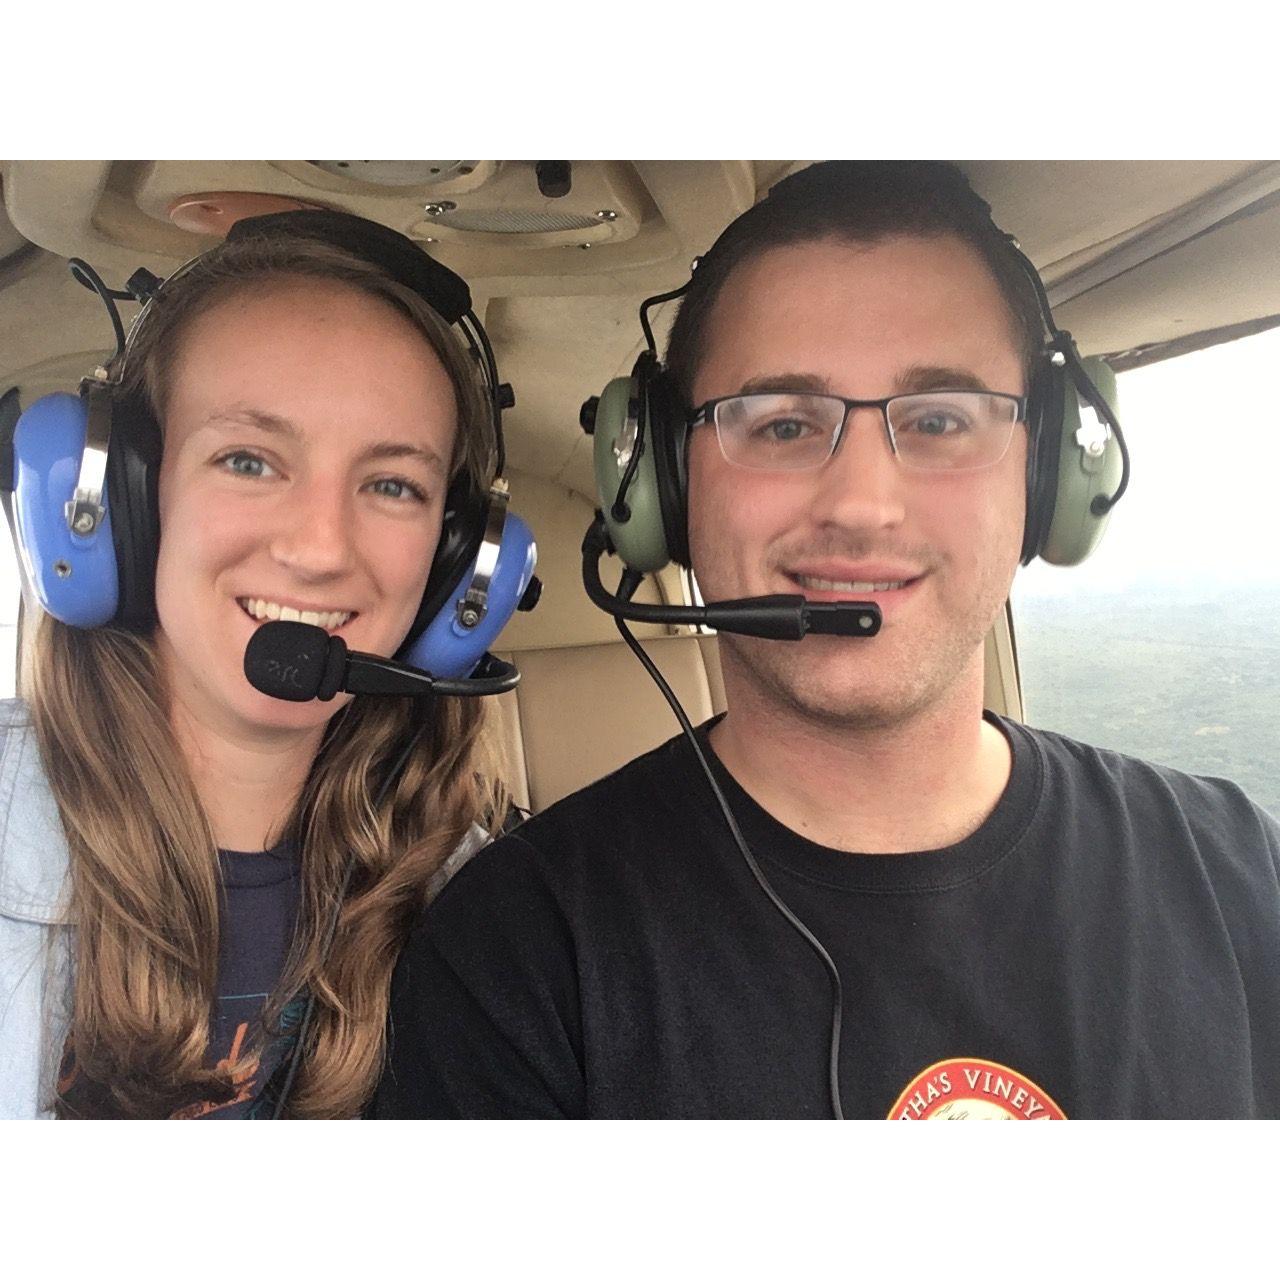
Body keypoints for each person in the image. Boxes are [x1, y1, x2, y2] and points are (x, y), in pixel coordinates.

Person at [371, 161, 1280, 1120]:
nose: (860, 505)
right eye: (781, 425)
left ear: (1047, 474)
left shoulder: (1234, 875)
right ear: (665, 489)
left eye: (939, 419)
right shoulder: (514, 956)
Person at [0, 210, 521, 1118]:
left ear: (456, 569)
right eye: (248, 459)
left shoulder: (478, 900)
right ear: (128, 499)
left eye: (392, 485)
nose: (321, 548)